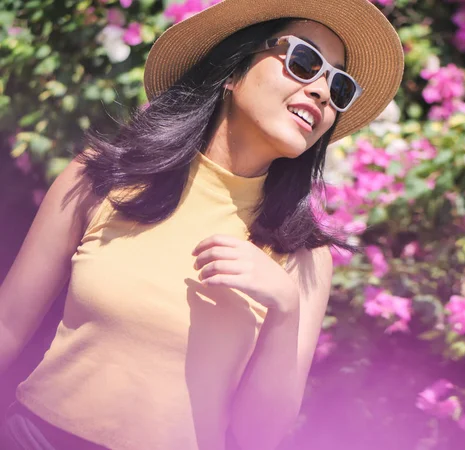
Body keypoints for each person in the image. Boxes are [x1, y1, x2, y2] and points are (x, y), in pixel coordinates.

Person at [0, 0, 403, 448]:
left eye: (339, 86)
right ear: (232, 72)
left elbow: (258, 437)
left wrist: (284, 311)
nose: (323, 92)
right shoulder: (102, 177)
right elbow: (8, 326)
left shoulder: (305, 258)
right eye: (304, 61)